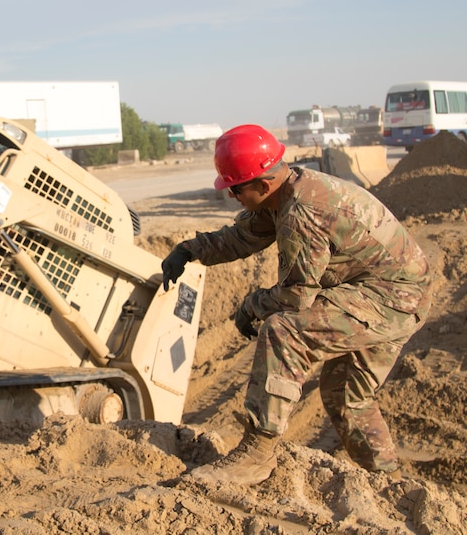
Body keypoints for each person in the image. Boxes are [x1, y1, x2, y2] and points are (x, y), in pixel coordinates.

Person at [161, 124, 431, 485]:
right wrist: (189, 250)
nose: (231, 196)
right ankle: (390, 481)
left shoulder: (302, 211)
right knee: (344, 393)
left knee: (284, 330)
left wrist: (252, 305)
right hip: (389, 291)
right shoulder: (284, 191)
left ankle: (258, 452)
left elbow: (295, 297)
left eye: (235, 189)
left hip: (393, 297)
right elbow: (243, 236)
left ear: (263, 185)